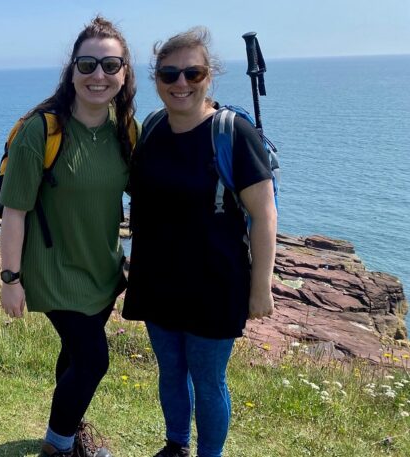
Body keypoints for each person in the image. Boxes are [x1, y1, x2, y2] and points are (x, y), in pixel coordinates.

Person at [122, 27, 277, 457]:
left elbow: (264, 216)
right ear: (156, 79)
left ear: (210, 76)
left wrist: (261, 287)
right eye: (169, 74)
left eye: (193, 73)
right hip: (157, 278)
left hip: (214, 283)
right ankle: (176, 445)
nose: (181, 83)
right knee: (170, 370)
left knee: (209, 380)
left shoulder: (233, 134)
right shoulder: (153, 128)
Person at [0, 15, 137, 457]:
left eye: (110, 65)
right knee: (94, 360)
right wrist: (10, 279)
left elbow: (152, 194)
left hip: (102, 270)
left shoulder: (124, 130)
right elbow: (14, 211)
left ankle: (70, 432)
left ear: (124, 73)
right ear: (72, 70)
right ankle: (58, 447)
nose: (98, 75)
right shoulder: (42, 130)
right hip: (53, 270)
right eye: (87, 64)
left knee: (76, 356)